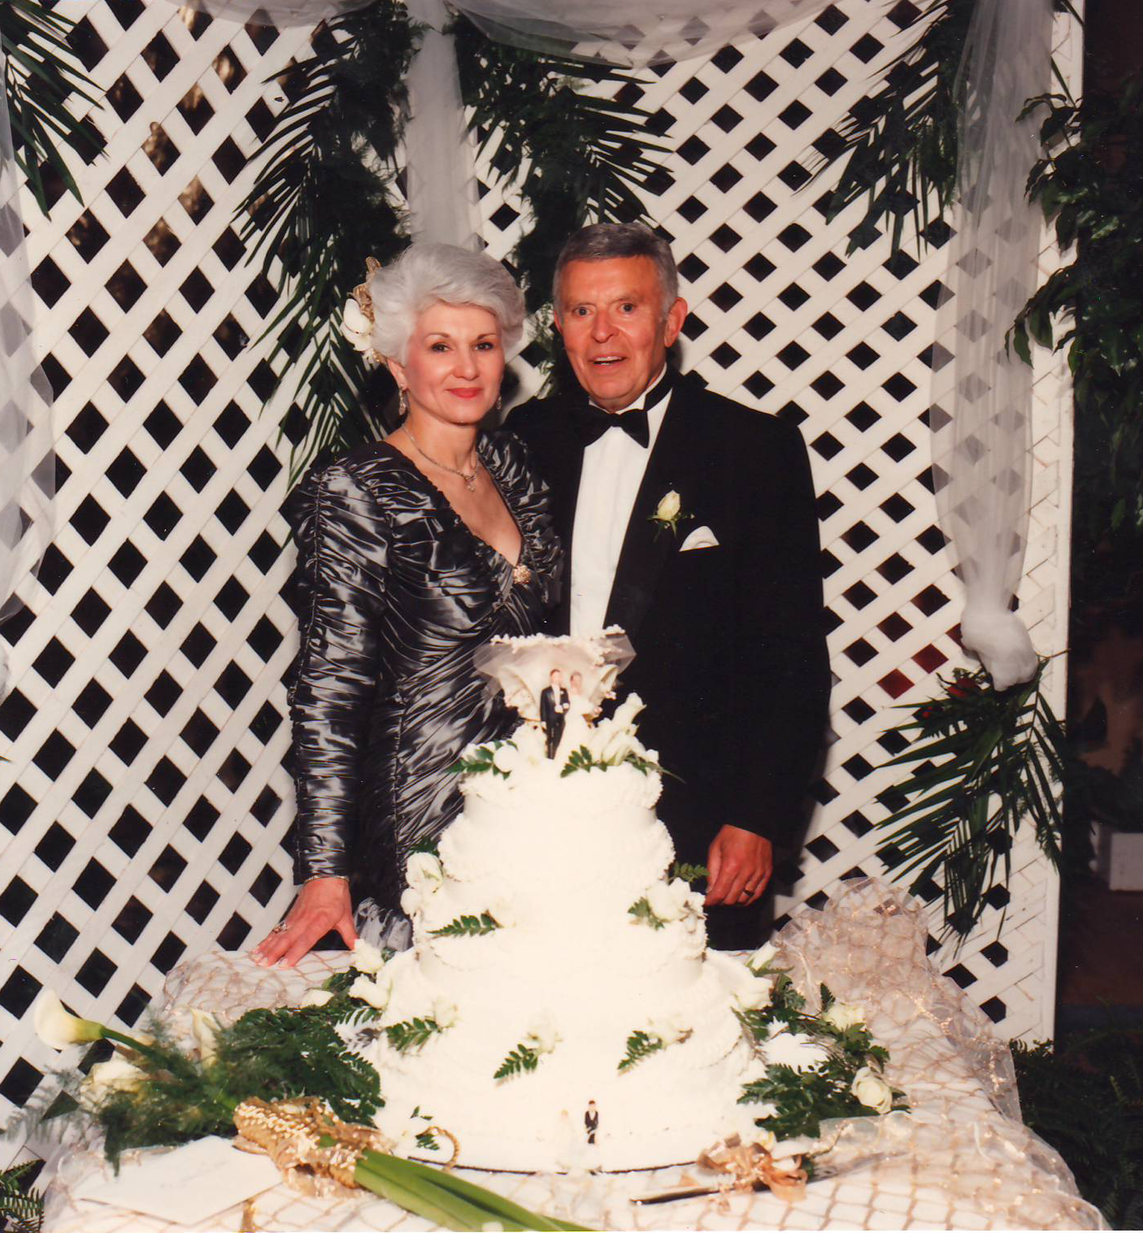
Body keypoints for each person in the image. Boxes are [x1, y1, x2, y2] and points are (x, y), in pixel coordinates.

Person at [506, 224, 829, 949]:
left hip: (700, 825)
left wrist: (755, 818)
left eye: (626, 307)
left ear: (672, 320)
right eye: (582, 312)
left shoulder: (754, 451)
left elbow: (792, 659)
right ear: (558, 327)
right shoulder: (519, 442)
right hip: (540, 815)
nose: (603, 334)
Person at [253, 244, 561, 968]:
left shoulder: (513, 464)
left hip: (533, 800)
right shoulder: (356, 491)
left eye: (483, 345)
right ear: (399, 366)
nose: (467, 367)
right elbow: (330, 688)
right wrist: (325, 870)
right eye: (441, 346)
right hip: (422, 810)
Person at [540, 668, 569, 758]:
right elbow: (543, 707)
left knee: (559, 737)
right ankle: (550, 756)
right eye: (555, 676)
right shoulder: (545, 691)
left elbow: (567, 703)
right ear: (551, 677)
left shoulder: (564, 691)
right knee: (550, 738)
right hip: (550, 718)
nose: (557, 678)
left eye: (559, 676)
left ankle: (557, 756)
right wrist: (543, 720)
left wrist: (564, 707)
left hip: (560, 718)